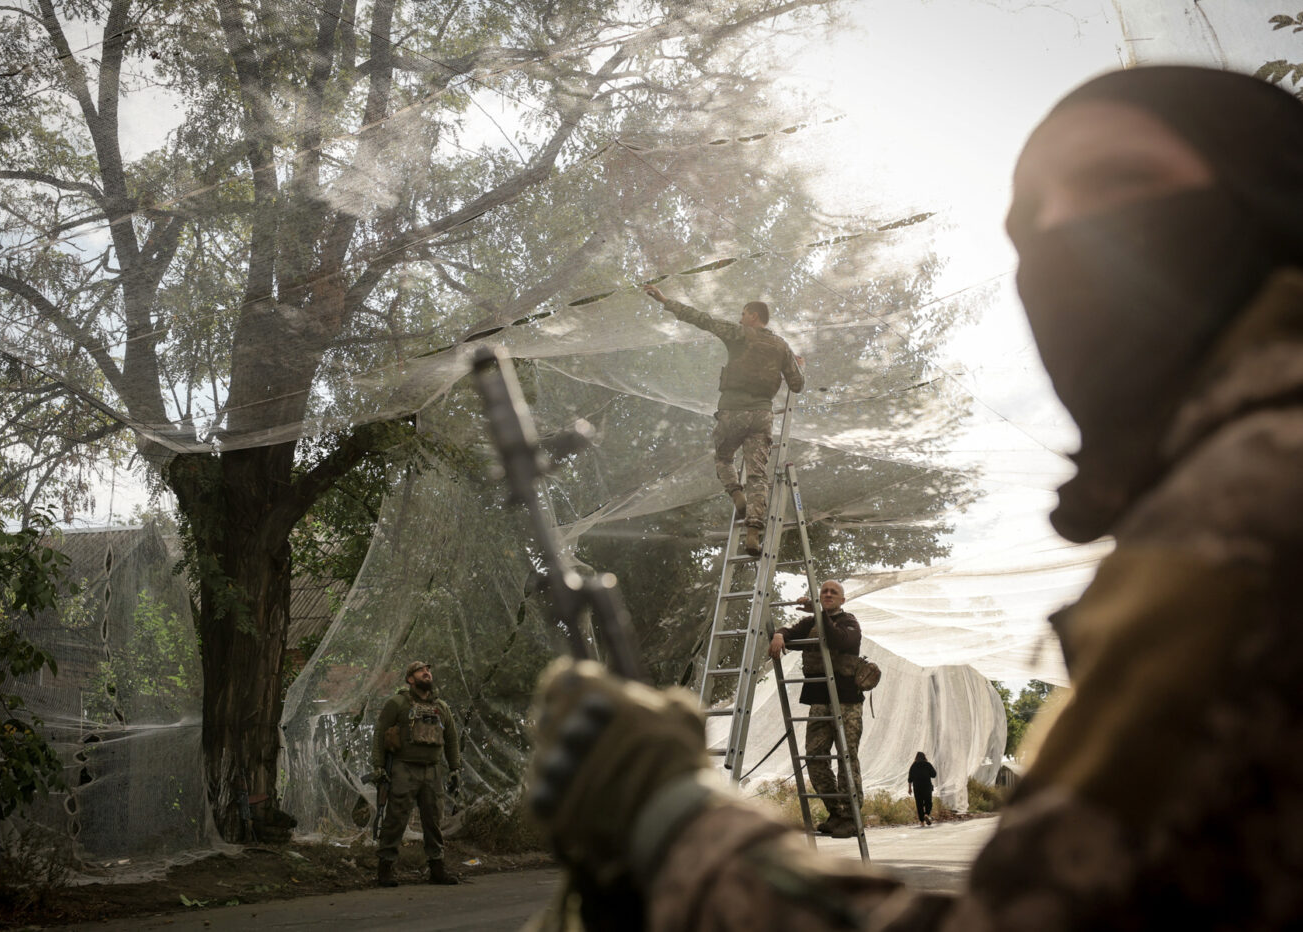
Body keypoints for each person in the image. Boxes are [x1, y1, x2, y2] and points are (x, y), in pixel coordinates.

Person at [526, 65, 1303, 930]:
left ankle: (754, 533)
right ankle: (751, 527)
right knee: (733, 477)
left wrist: (681, 835)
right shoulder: (1211, 487)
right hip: (747, 447)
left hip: (759, 459)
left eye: (1120, 183)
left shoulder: (1251, 505)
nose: (1062, 244)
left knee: (743, 481)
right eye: (1028, 229)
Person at [642, 283, 804, 556]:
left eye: (743, 314)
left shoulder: (740, 334)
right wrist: (799, 366)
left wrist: (665, 300)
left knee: (724, 458)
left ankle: (736, 496)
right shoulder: (782, 346)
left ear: (753, 316)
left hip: (733, 411)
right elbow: (797, 385)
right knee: (758, 475)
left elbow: (703, 320)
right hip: (762, 417)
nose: (740, 318)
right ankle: (753, 533)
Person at [767, 579, 864, 837]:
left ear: (842, 600)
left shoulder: (849, 622)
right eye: (824, 591)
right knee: (814, 757)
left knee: (846, 757)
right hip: (819, 701)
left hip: (846, 701)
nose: (829, 594)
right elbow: (789, 631)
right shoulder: (811, 623)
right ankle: (836, 812)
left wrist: (817, 612)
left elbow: (837, 639)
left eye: (834, 592)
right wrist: (779, 635)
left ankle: (852, 817)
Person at [372, 661, 462, 887]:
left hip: (432, 770)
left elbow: (451, 738)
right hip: (404, 768)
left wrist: (455, 769)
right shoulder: (397, 703)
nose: (427, 673)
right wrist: (379, 766)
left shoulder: (441, 707)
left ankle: (437, 868)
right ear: (410, 679)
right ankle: (385, 868)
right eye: (421, 671)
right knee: (395, 819)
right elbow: (380, 732)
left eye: (428, 670)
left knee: (433, 820)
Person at [907, 752, 936, 827]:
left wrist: (909, 789)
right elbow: (934, 775)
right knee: (928, 802)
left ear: (916, 757)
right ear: (924, 757)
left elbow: (910, 779)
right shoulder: (927, 764)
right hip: (927, 786)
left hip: (917, 788)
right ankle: (926, 814)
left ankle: (922, 822)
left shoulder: (913, 766)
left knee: (919, 804)